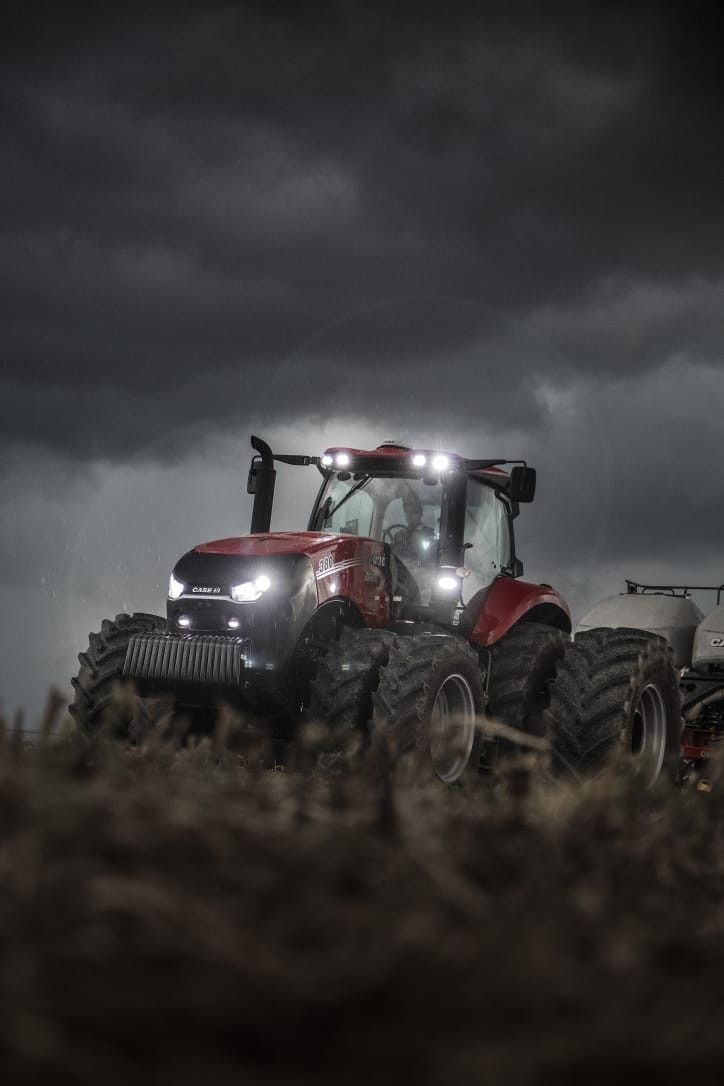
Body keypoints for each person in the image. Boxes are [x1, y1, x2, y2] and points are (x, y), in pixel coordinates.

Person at [392, 491, 436, 564]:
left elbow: (430, 559)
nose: (409, 516)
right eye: (407, 512)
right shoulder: (398, 535)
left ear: (420, 514)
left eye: (413, 512)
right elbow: (392, 555)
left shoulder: (430, 534)